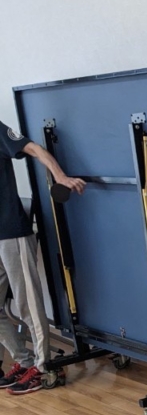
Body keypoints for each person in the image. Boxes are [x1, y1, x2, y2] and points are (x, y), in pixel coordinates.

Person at [0, 122, 84, 394]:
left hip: (10, 233)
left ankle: (43, 366)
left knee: (28, 304)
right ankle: (24, 362)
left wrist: (60, 176)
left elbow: (34, 148)